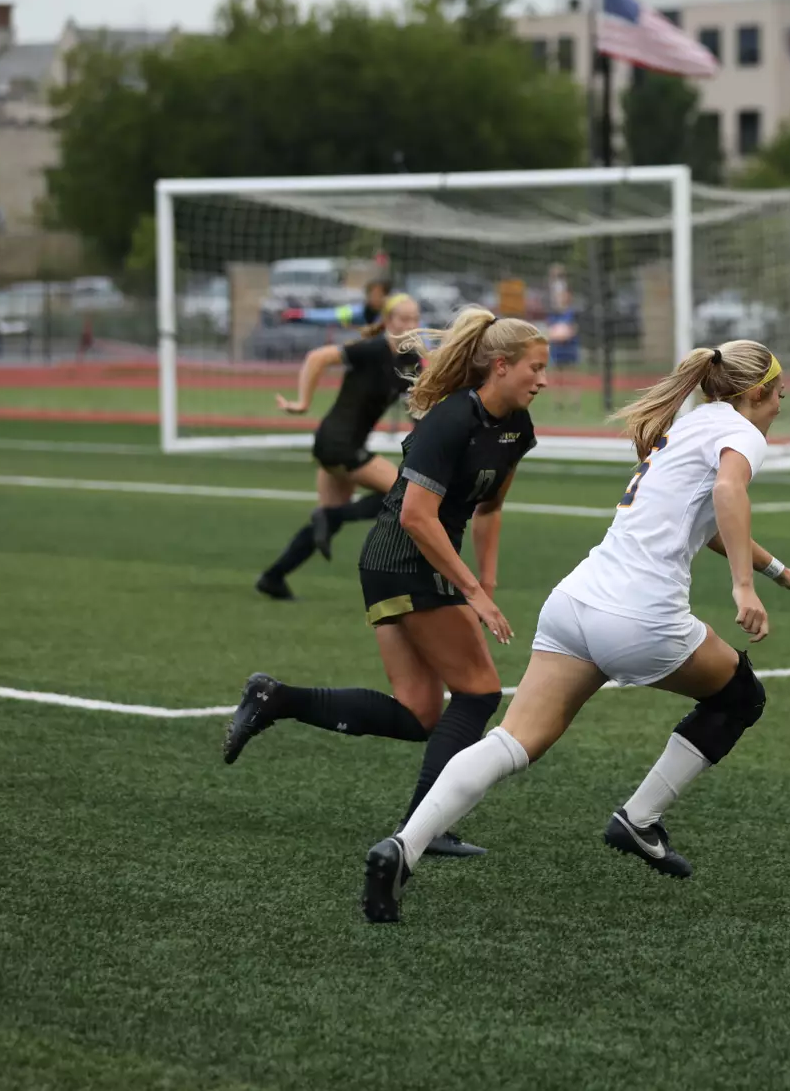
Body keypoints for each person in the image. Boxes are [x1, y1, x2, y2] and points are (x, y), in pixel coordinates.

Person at [360, 340, 790, 923]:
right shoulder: (741, 431)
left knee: (511, 741)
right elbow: (728, 494)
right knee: (740, 697)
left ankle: (403, 847)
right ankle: (639, 820)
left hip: (575, 602)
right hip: (638, 617)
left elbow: (701, 519)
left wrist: (779, 572)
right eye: (781, 389)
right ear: (757, 390)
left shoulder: (691, 425)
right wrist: (742, 588)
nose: (783, 401)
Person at [227, 307, 549, 859]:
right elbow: (416, 517)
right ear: (500, 366)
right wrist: (471, 590)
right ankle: (422, 829)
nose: (543, 380)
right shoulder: (450, 420)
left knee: (419, 713)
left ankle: (275, 698)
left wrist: (486, 582)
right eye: (535, 368)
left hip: (411, 562)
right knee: (479, 692)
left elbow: (490, 509)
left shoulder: (517, 427)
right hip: (404, 559)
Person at [256, 292, 420, 600]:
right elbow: (318, 357)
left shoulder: (409, 361)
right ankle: (334, 519)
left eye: (415, 318)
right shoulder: (373, 349)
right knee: (404, 492)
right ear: (387, 321)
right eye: (403, 319)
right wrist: (303, 402)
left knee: (329, 518)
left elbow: (419, 406)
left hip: (344, 446)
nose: (410, 325)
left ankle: (273, 577)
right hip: (336, 443)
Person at [283, 277, 394, 329]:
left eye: (377, 294)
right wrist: (301, 315)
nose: (373, 298)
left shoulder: (394, 313)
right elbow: (330, 315)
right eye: (370, 294)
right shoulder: (359, 311)